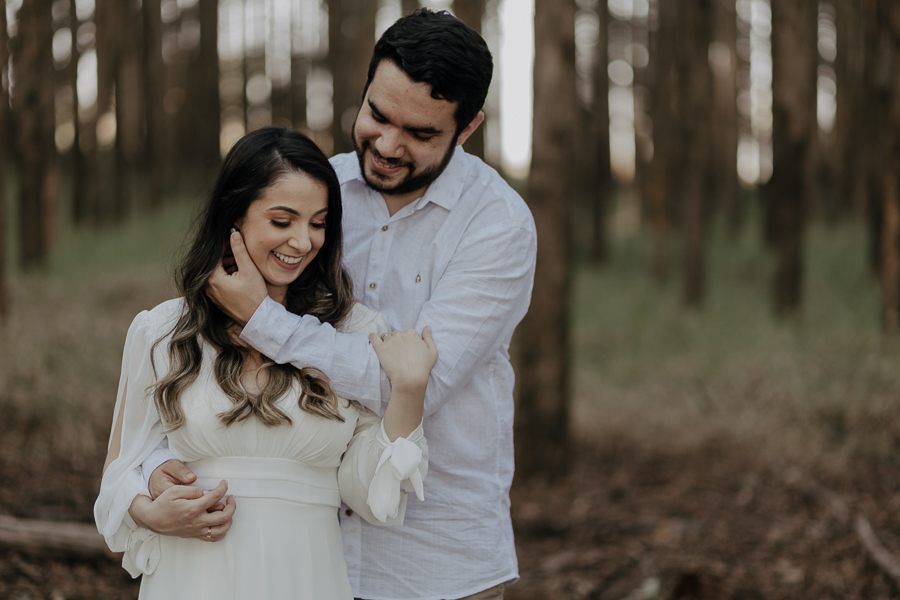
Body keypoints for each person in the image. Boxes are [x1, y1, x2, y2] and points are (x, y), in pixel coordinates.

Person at [147, 8, 537, 600]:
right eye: (377, 114)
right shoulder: (313, 194)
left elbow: (407, 388)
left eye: (420, 133)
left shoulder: (498, 226)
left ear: (468, 127)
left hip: (436, 561)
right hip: (302, 554)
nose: (386, 144)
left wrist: (265, 321)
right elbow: (210, 350)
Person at [94, 126, 438, 599]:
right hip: (191, 578)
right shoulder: (163, 331)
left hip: (306, 576)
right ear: (234, 215)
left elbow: (369, 494)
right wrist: (148, 512)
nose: (303, 241)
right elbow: (119, 470)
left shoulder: (353, 331)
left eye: (318, 223)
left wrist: (409, 392)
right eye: (282, 221)